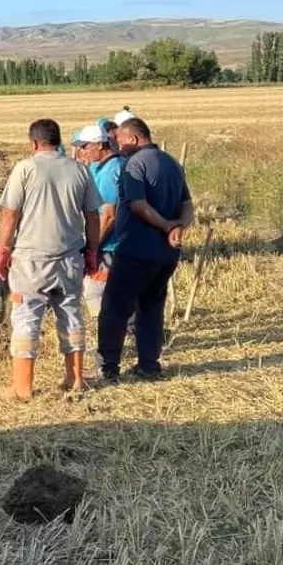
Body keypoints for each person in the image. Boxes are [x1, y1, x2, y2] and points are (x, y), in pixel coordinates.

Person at [0, 119, 101, 398]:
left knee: (27, 318)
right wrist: (92, 252)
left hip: (30, 262)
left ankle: (22, 388)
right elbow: (92, 216)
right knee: (71, 316)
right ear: (59, 140)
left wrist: (3, 251)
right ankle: (75, 379)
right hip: (69, 259)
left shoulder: (25, 169)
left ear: (33, 143)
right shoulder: (80, 170)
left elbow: (9, 215)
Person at [97, 117, 194, 383]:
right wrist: (178, 228)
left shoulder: (135, 164)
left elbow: (138, 205)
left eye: (120, 141)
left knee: (114, 308)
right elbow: (188, 205)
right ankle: (149, 365)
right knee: (151, 308)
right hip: (166, 255)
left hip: (136, 251)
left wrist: (165, 226)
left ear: (135, 139)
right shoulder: (173, 163)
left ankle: (108, 366)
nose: (118, 147)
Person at [74, 124, 126, 372]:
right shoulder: (110, 167)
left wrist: (93, 246)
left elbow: (108, 215)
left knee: (96, 294)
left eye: (85, 146)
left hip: (109, 246)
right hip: (116, 244)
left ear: (100, 144)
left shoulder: (109, 173)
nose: (83, 151)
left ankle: (108, 352)